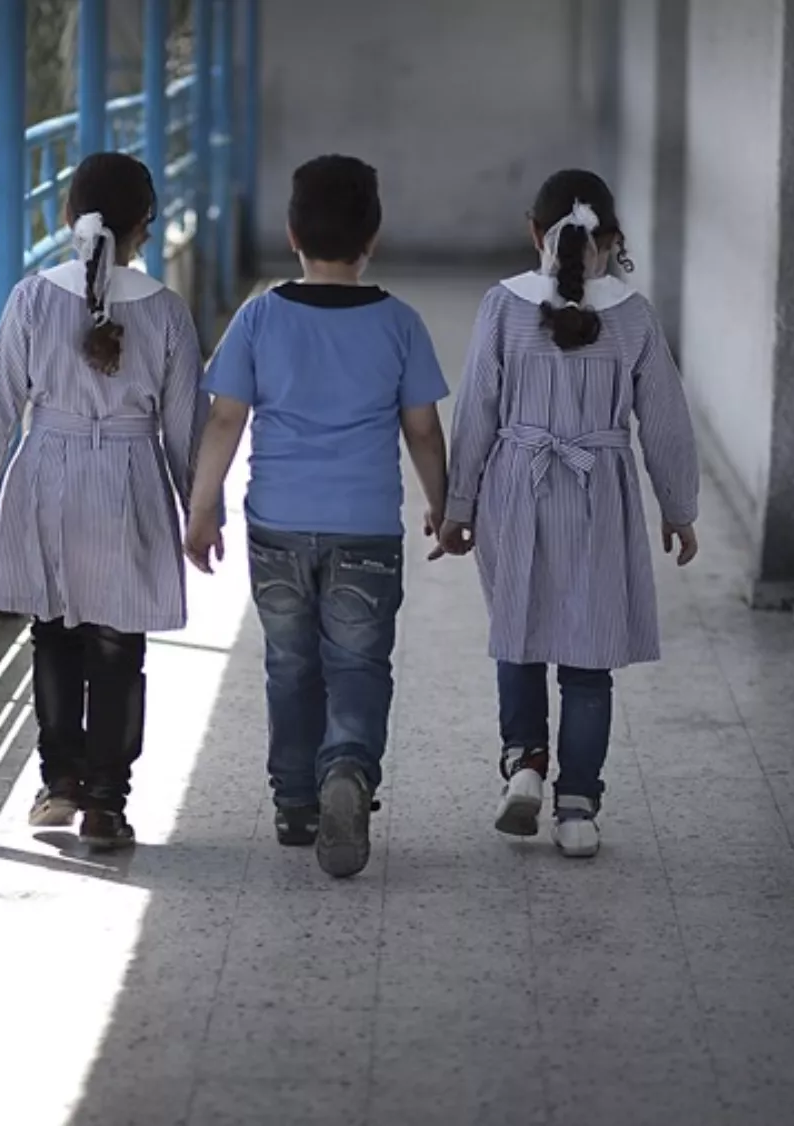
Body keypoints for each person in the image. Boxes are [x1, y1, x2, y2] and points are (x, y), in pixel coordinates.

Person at [185, 154, 450, 879]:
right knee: (359, 664)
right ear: (374, 236)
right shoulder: (400, 323)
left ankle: (297, 802)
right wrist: (443, 502)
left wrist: (201, 511)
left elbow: (224, 421)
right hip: (365, 528)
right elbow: (422, 430)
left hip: (276, 526)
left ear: (292, 232)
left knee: (290, 663)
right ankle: (348, 772)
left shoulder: (261, 317)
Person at [435, 169, 701, 859]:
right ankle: (578, 806)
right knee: (588, 655)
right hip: (597, 494)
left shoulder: (503, 305)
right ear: (613, 241)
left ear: (534, 232)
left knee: (518, 633)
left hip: (516, 487)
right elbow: (665, 420)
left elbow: (476, 413)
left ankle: (524, 762)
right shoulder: (634, 314)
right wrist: (679, 507)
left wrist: (457, 506)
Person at [0, 152, 205, 852]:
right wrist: (198, 509)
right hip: (128, 481)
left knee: (54, 634)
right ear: (144, 229)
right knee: (119, 647)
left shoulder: (31, 297)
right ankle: (106, 804)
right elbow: (185, 425)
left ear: (69, 218)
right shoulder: (168, 312)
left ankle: (58, 781)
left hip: (48, 478)